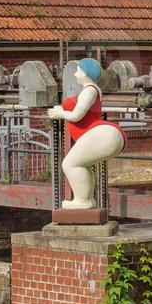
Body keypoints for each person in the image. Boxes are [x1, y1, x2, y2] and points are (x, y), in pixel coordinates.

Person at [47, 58, 126, 210]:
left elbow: (77, 115)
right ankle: (86, 199)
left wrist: (61, 113)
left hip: (99, 133)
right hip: (99, 133)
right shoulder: (90, 89)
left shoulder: (89, 90)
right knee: (81, 164)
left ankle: (82, 201)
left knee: (69, 164)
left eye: (78, 71)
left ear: (85, 73)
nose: (75, 74)